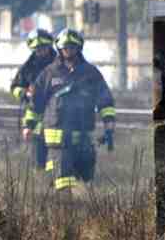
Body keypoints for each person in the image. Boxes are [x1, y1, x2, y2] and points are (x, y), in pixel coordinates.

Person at [23, 28, 115, 191]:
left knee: (86, 183)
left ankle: (79, 214)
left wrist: (109, 124)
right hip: (58, 142)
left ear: (79, 48)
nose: (69, 51)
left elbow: (105, 100)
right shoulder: (49, 73)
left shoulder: (90, 73)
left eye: (72, 47)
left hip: (83, 140)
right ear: (59, 49)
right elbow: (35, 102)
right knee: (65, 184)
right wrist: (28, 125)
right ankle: (65, 211)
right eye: (65, 48)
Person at [11, 29, 56, 169]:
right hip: (34, 113)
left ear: (49, 46)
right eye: (37, 49)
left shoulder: (60, 63)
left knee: (56, 149)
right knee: (38, 149)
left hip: (57, 112)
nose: (40, 51)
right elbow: (14, 87)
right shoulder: (28, 67)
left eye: (43, 48)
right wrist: (25, 93)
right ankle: (41, 175)